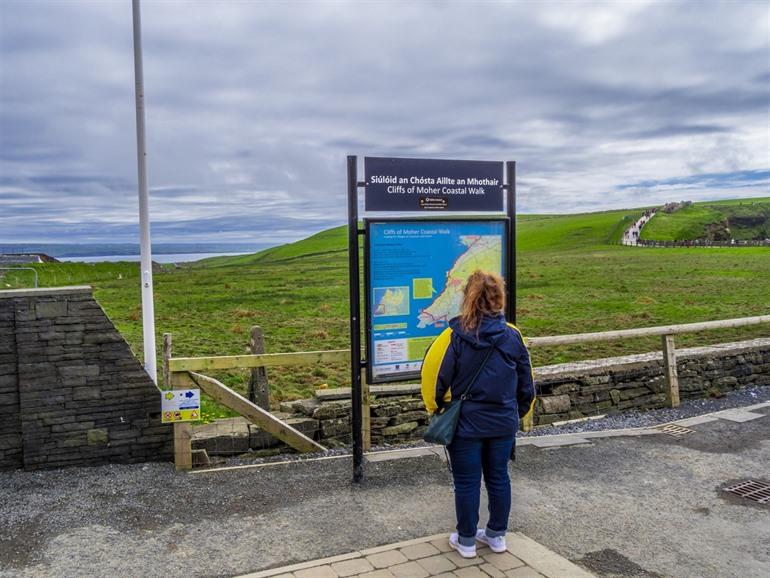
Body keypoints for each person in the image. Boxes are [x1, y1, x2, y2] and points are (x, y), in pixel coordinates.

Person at [421, 270, 536, 559]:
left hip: (466, 424)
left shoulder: (453, 336)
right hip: (503, 421)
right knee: (499, 477)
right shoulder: (513, 335)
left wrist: (438, 410)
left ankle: (467, 541)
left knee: (467, 482)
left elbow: (434, 379)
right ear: (499, 298)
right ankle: (497, 536)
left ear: (468, 298)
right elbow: (527, 384)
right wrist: (516, 413)